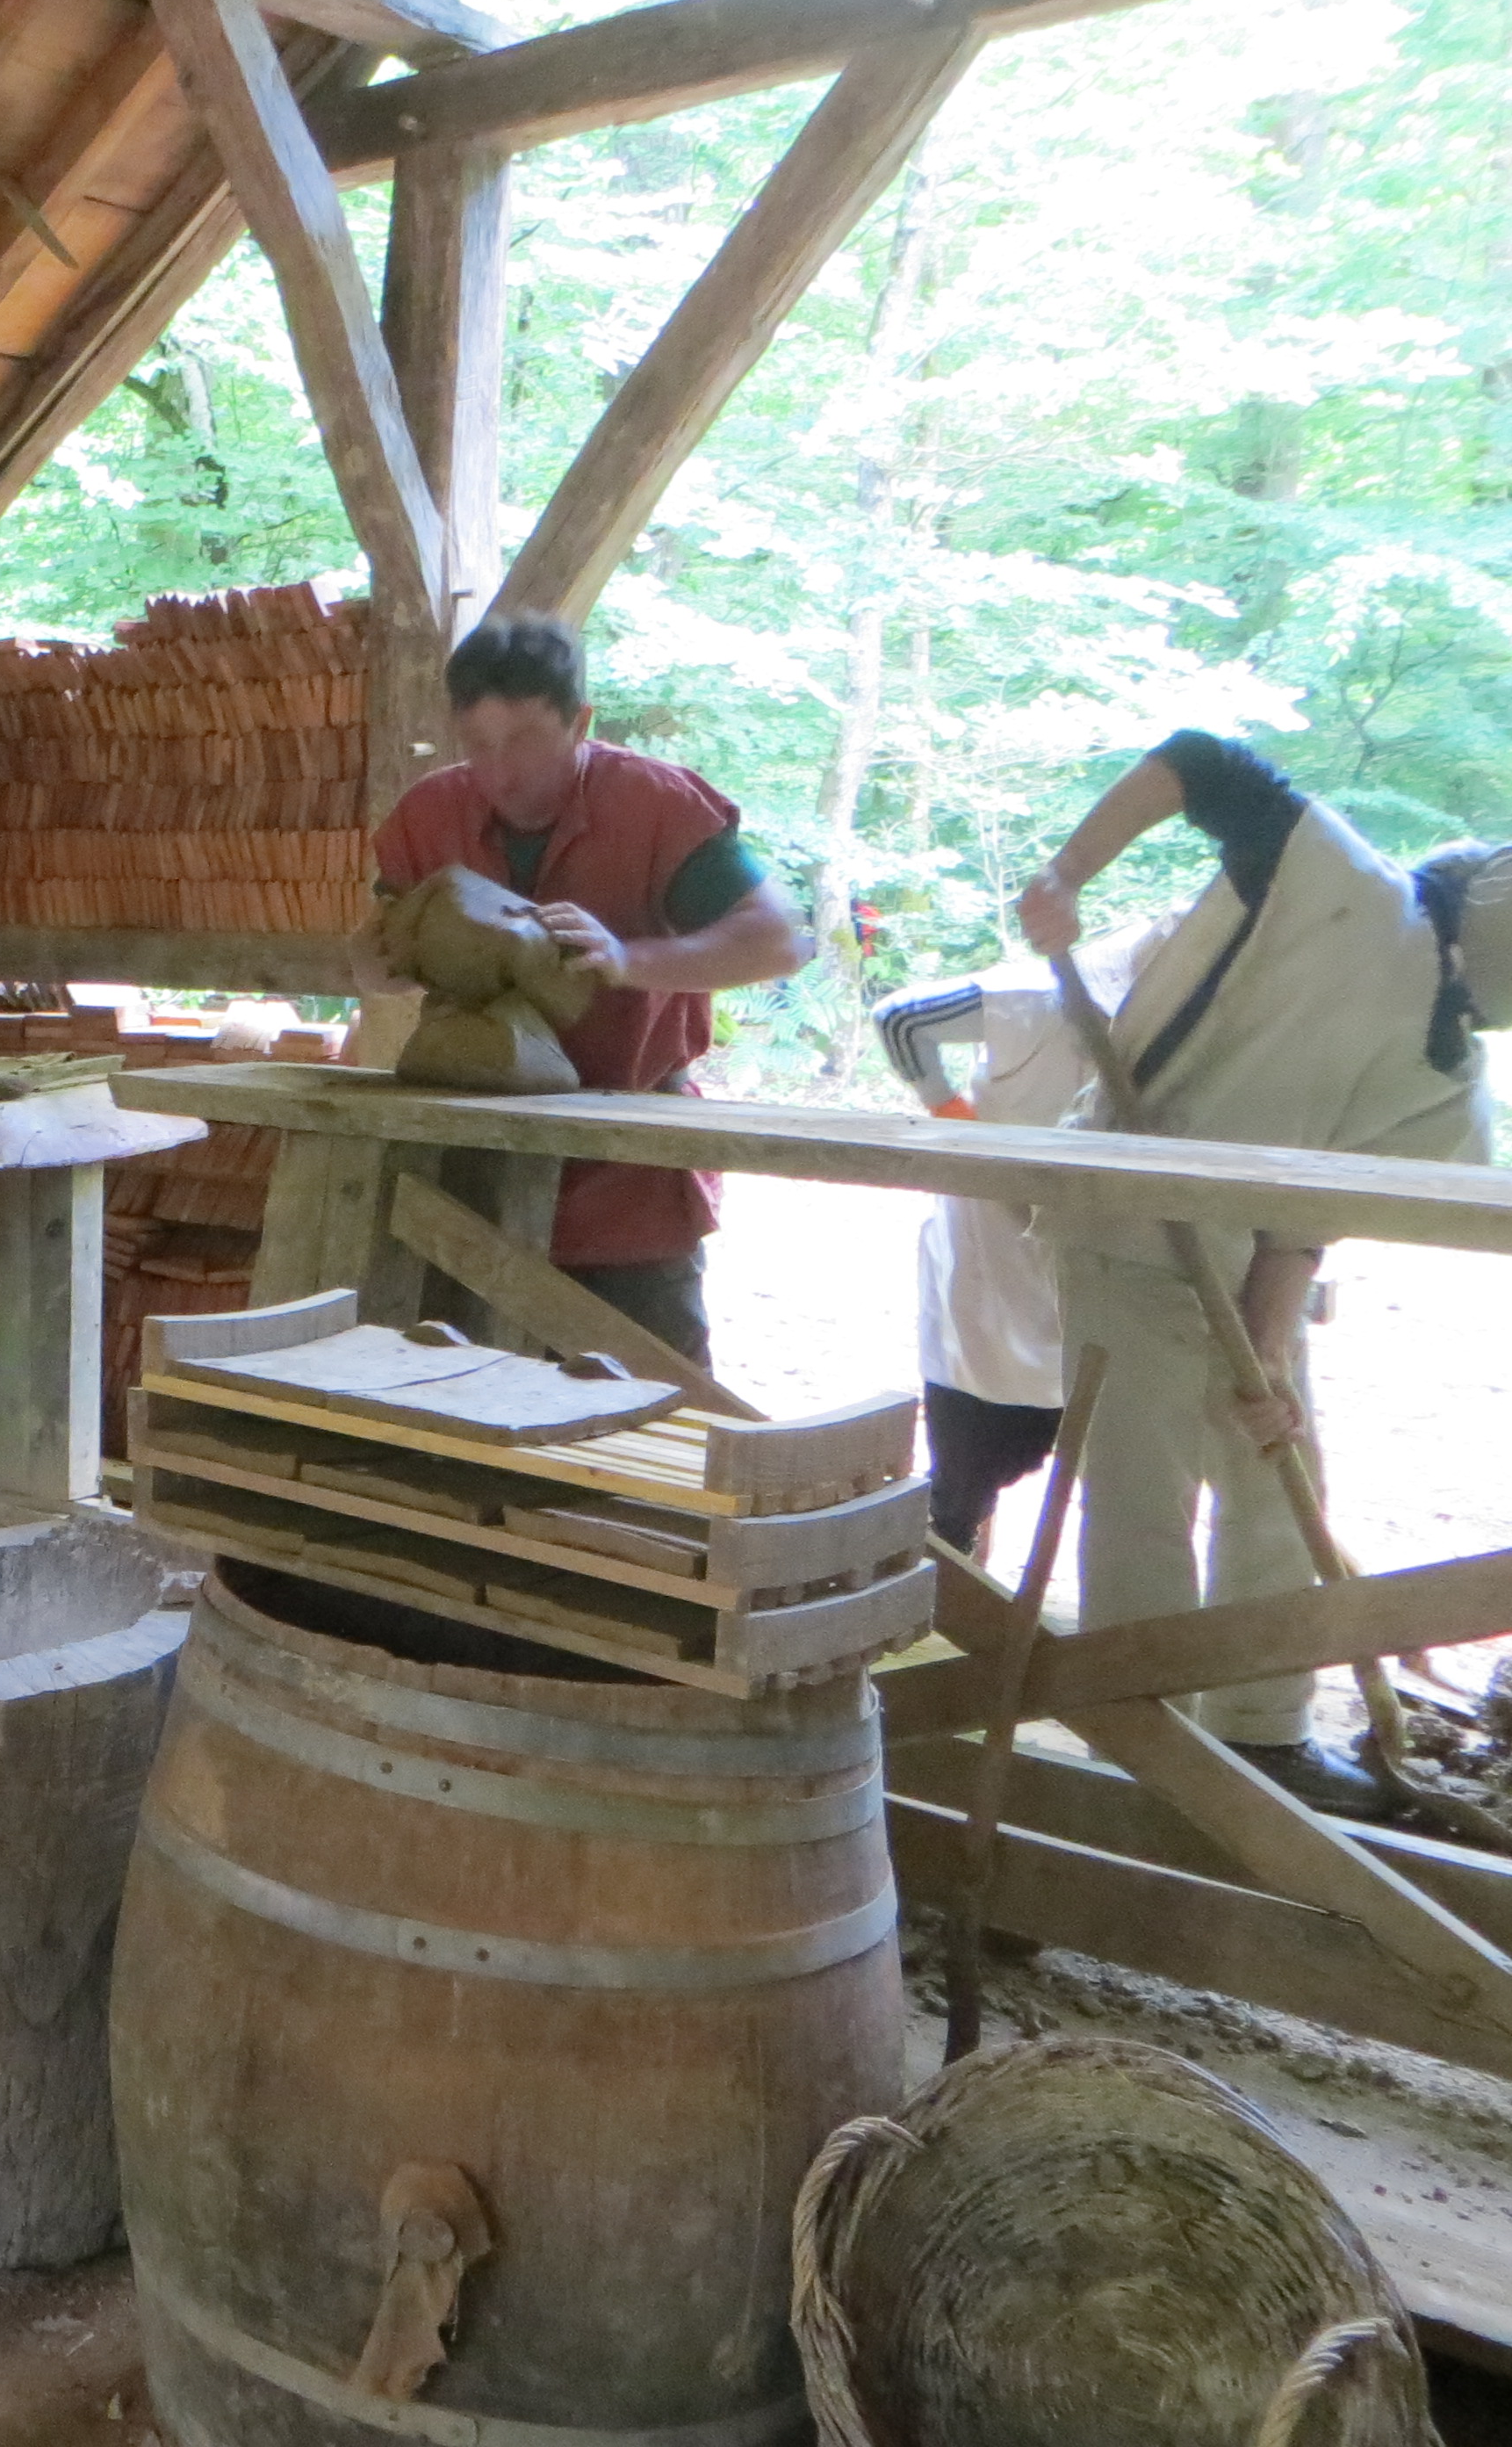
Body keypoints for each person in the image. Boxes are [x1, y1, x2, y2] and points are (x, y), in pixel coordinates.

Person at [1018, 728, 1502, 1818]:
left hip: (1245, 1254)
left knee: (1277, 1476)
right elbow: (1201, 761)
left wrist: (1269, 1354)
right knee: (1141, 1502)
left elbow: (1308, 1215)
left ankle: (1264, 1732)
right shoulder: (1337, 891)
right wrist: (1065, 875)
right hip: (1127, 1218)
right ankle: (1145, 1751)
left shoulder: (1445, 1062)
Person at [351, 616, 811, 1366]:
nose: (501, 772)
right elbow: (375, 953)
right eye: (478, 746)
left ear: (581, 723)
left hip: (626, 1176)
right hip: (467, 1165)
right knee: (453, 1395)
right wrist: (375, 964)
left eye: (525, 742)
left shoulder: (656, 804)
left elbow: (782, 940)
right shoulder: (430, 814)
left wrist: (627, 960)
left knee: (647, 1400)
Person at [869, 922, 1162, 1556]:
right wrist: (953, 1115)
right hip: (989, 1249)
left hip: (1095, 1247)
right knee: (970, 1452)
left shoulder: (1175, 1033)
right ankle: (954, 1573)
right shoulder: (1026, 999)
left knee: (1109, 1444)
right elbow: (899, 1020)